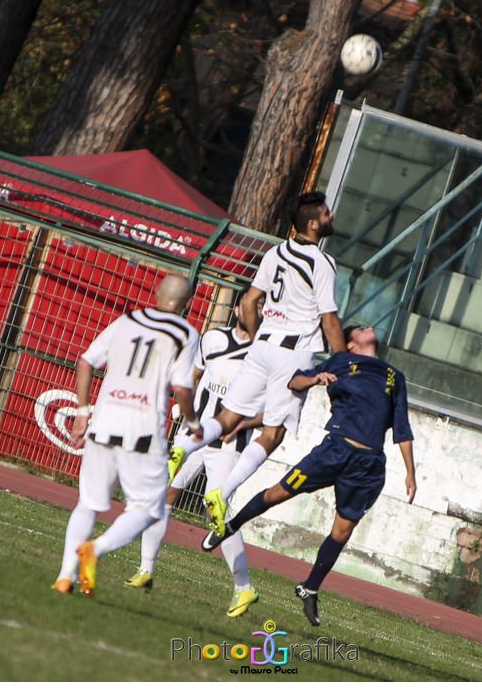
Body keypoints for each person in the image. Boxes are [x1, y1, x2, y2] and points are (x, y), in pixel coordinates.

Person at [200, 324, 417, 628]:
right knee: (279, 493)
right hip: (335, 450)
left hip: (368, 465)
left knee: (343, 531)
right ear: (351, 343)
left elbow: (402, 428)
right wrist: (315, 379)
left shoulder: (395, 376)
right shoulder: (341, 360)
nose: (369, 327)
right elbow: (294, 382)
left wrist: (410, 473)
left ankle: (310, 587)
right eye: (361, 328)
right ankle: (230, 526)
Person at [167, 192, 347, 539]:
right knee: (274, 432)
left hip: (261, 346)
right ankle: (221, 492)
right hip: (292, 354)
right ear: (313, 223)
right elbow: (330, 320)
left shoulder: (275, 252)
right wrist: (344, 364)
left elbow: (250, 300)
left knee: (229, 416)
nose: (331, 215)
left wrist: (257, 334)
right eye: (326, 212)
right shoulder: (322, 263)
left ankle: (184, 446)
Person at [52, 273, 200, 598]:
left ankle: (65, 575)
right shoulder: (185, 334)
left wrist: (81, 411)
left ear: (157, 292)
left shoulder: (126, 320)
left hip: (103, 422)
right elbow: (182, 388)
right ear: (187, 303)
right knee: (148, 510)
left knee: (88, 503)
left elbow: (86, 360)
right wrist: (192, 421)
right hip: (143, 431)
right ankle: (95, 550)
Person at [124, 289, 264, 618]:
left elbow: (269, 410)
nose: (255, 309)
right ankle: (146, 570)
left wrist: (241, 424)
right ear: (238, 308)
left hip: (229, 441)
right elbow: (195, 375)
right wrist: (183, 408)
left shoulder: (264, 354)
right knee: (164, 492)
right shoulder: (213, 339)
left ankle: (244, 588)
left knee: (216, 509)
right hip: (196, 432)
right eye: (251, 303)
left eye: (260, 305)